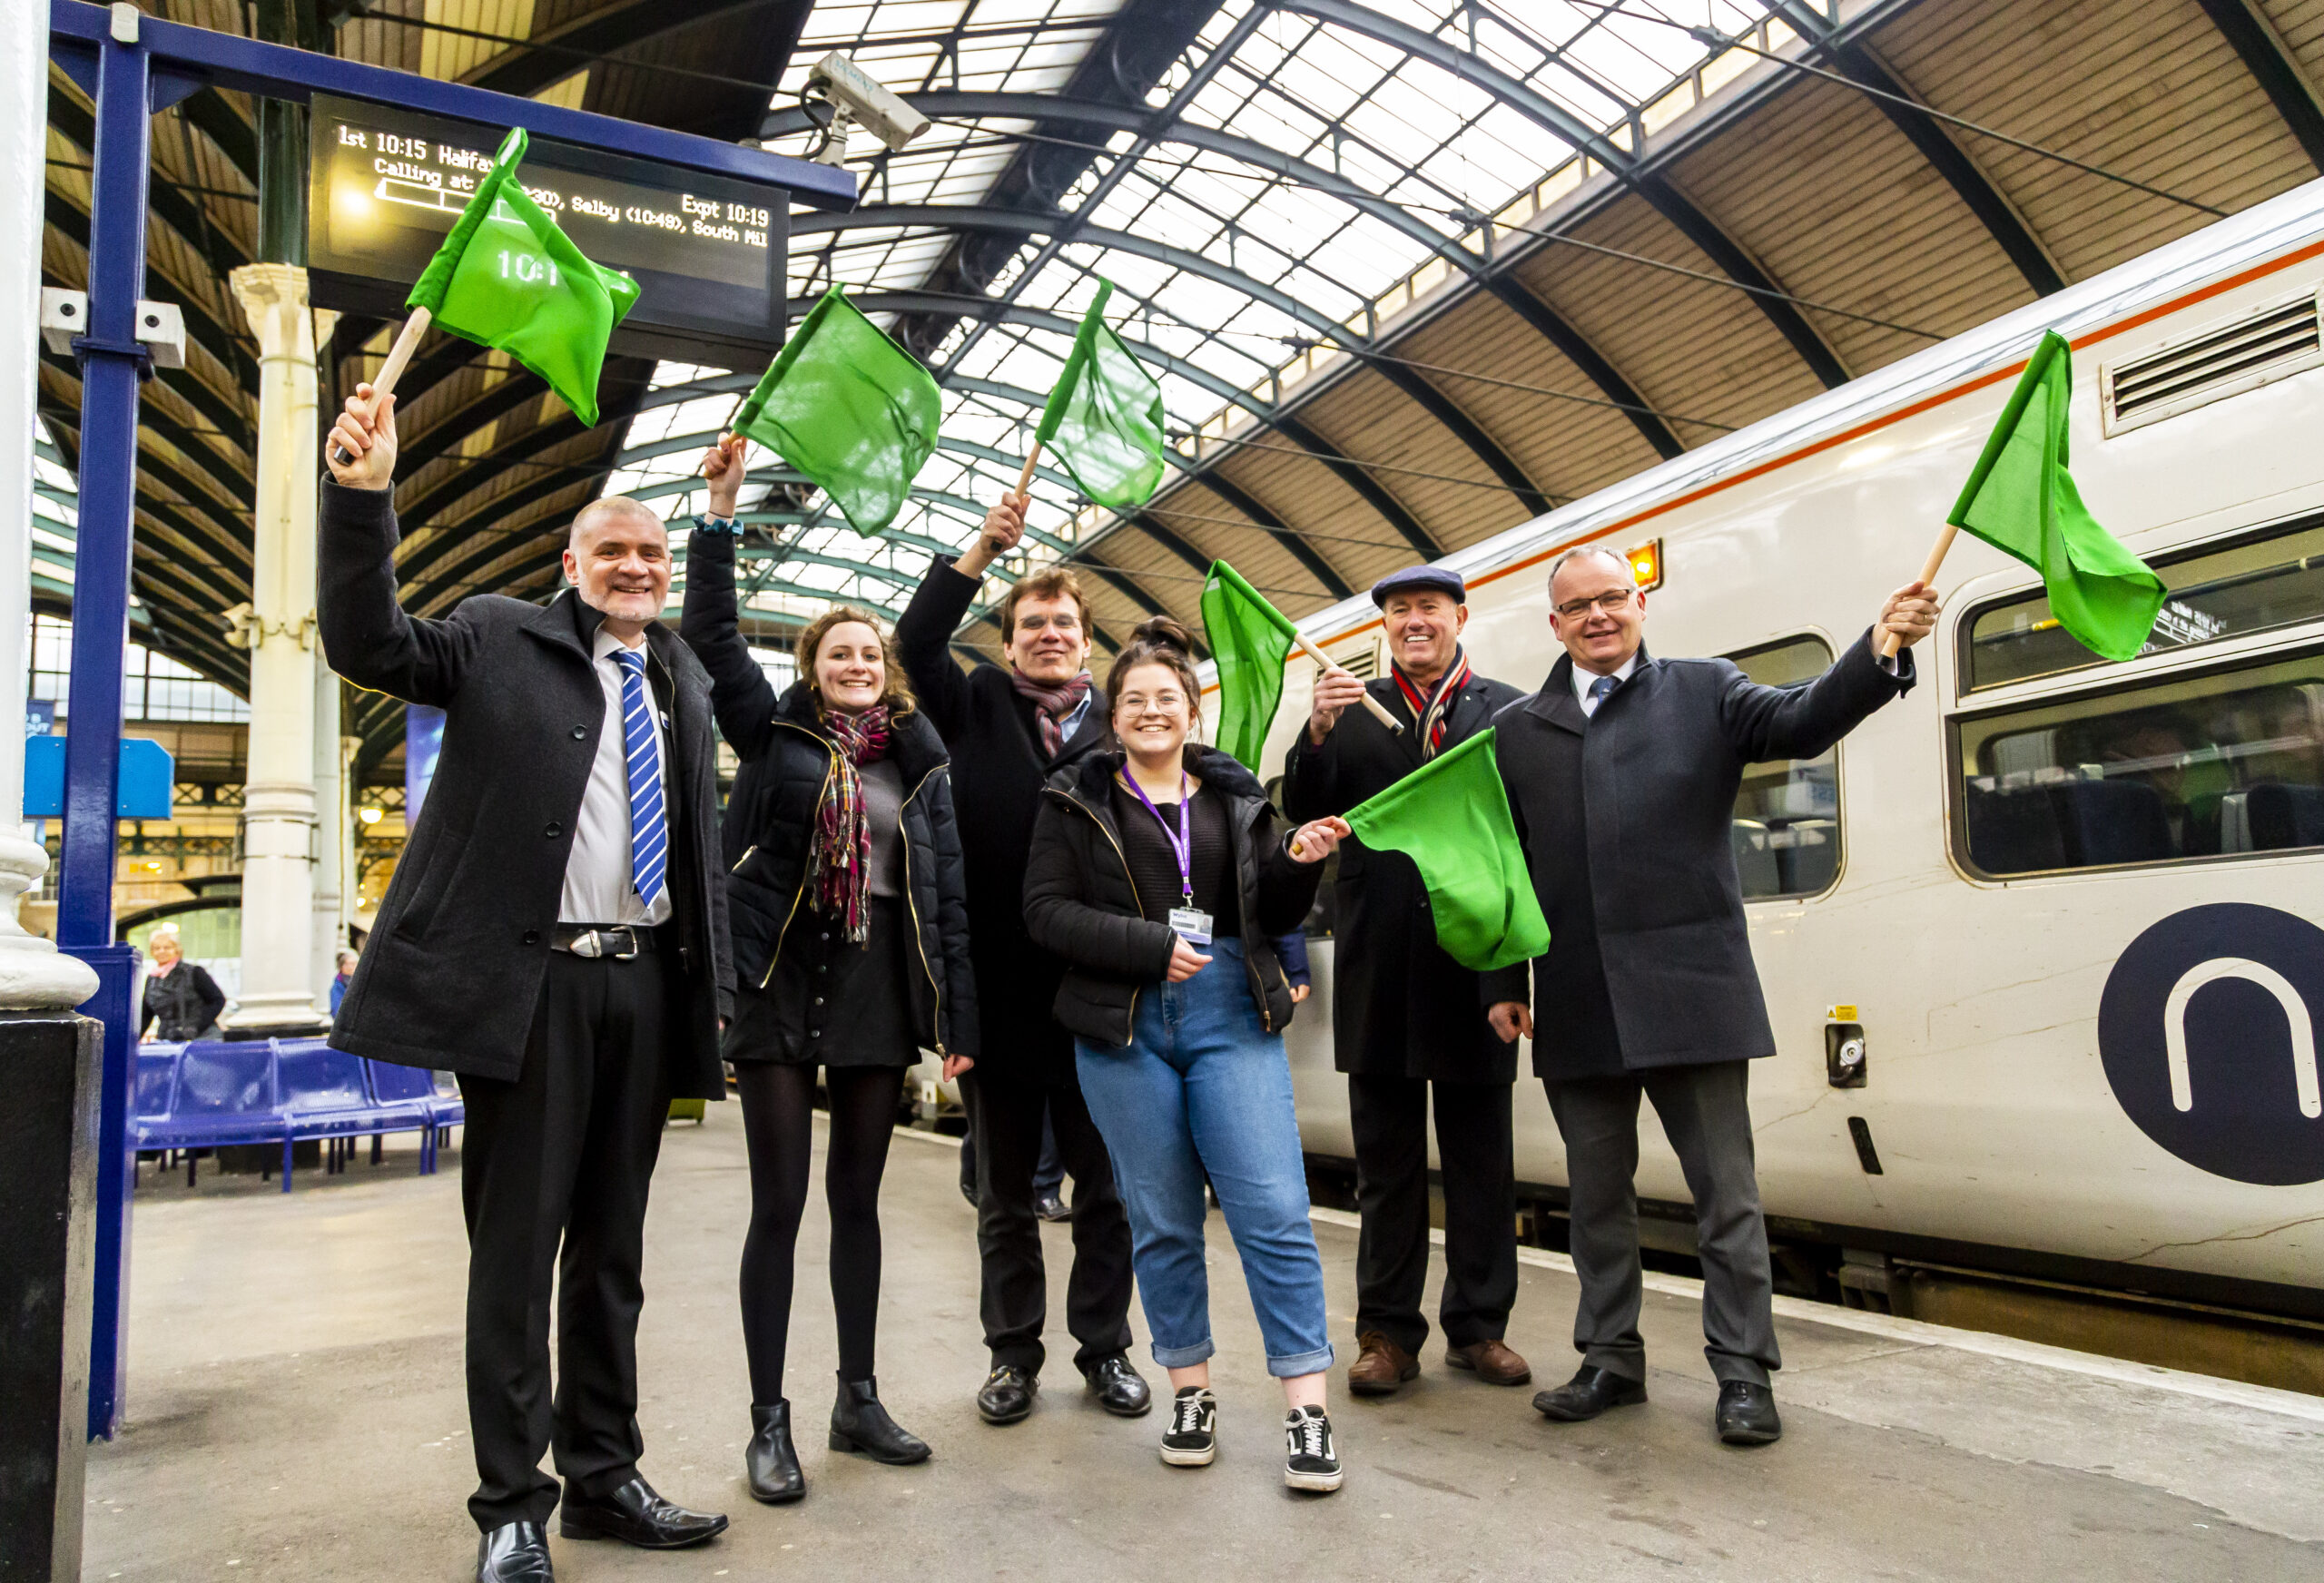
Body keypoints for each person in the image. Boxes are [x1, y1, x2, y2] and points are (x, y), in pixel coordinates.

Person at [320, 384, 734, 1583]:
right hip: (533, 989)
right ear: (571, 562)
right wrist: (362, 501)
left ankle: (606, 1475)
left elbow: (697, 838)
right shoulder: (501, 636)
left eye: (652, 554)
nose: (637, 567)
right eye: (614, 549)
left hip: (644, 988)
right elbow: (370, 642)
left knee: (613, 1251)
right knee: (517, 1253)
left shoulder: (681, 683)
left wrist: (713, 519)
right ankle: (512, 1505)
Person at [1487, 546, 1935, 1447]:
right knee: (1596, 1198)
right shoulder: (1517, 731)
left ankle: (1742, 1372)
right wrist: (1503, 981)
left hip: (1691, 989)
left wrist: (1878, 645)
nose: (1598, 615)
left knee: (1724, 1197)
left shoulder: (1706, 690)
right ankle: (1609, 1356)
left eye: (1612, 596)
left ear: (1638, 602)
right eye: (1577, 606)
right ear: (1555, 625)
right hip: (1574, 994)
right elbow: (1504, 866)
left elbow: (1803, 722)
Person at [681, 435, 977, 1505]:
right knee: (779, 1203)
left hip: (873, 991)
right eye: (838, 654)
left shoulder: (915, 760)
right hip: (774, 981)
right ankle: (770, 1420)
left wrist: (958, 1021)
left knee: (860, 1202)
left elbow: (942, 901)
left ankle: (857, 1397)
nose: (855, 665)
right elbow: (711, 632)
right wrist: (717, 510)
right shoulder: (771, 734)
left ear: (886, 672)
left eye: (869, 655)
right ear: (812, 668)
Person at [1023, 616, 1355, 1492]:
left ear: (1192, 709)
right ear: (1113, 714)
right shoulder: (1074, 799)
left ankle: (1306, 1411)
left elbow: (1269, 915)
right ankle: (1191, 1392)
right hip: (1123, 1024)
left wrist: (1299, 861)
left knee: (1273, 1211)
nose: (1150, 711)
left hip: (1227, 1017)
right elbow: (1045, 913)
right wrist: (1142, 946)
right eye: (1133, 699)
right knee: (1163, 1218)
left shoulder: (1235, 799)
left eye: (1166, 698)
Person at [895, 493, 1146, 1427]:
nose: (1048, 636)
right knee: (1003, 1194)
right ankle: (1012, 1355)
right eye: (1031, 624)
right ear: (1005, 643)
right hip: (998, 1000)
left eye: (1064, 625)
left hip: (1099, 999)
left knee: (1106, 1191)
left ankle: (1106, 1348)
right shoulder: (971, 704)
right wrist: (979, 551)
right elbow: (917, 642)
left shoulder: (1120, 731)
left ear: (1089, 643)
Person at [1280, 566, 1531, 1398]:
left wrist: (1510, 973)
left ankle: (1480, 1328)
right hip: (1378, 965)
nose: (1414, 622)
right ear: (1385, 626)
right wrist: (1313, 732)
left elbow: (1513, 848)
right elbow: (1304, 811)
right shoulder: (1347, 714)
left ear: (1461, 616)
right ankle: (1386, 1335)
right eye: (1399, 612)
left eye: (1429, 608)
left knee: (1481, 1164)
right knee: (1385, 1171)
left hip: (1475, 966)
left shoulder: (1505, 711)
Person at [140, 923, 224, 1042]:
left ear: (177, 950)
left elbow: (217, 1000)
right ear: (152, 952)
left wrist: (195, 1027)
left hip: (202, 1038)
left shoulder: (194, 972)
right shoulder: (152, 979)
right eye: (156, 948)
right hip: (169, 1040)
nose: (161, 951)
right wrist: (132, 1039)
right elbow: (146, 1014)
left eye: (167, 947)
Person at [329, 948, 359, 1015]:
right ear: (342, 966)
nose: (353, 967)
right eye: (352, 963)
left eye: (355, 963)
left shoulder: (358, 982)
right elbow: (336, 1011)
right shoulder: (337, 987)